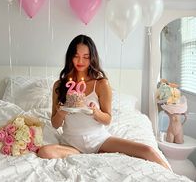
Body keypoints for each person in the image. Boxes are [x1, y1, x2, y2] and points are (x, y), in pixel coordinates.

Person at [38, 34, 169, 169]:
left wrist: (96, 112)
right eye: (76, 56)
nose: (80, 61)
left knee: (148, 151)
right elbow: (55, 124)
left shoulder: (101, 84)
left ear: (92, 58)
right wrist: (62, 112)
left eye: (86, 57)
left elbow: (107, 119)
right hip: (71, 143)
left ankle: (173, 176)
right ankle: (83, 154)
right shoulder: (59, 85)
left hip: (99, 140)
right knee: (44, 151)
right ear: (70, 56)